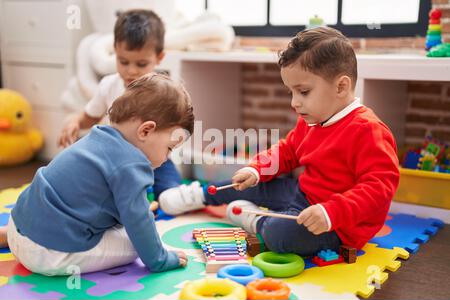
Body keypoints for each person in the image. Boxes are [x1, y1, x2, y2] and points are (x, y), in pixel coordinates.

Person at [159, 27, 400, 256]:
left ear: (341, 86)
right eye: (291, 92)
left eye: (303, 92)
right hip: (303, 193)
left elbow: (379, 188)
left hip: (338, 225)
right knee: (246, 183)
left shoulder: (368, 130)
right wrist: (257, 169)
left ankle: (254, 219)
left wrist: (331, 212)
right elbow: (288, 150)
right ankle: (200, 195)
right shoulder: (312, 119)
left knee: (280, 235)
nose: (294, 102)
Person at [1, 73, 194, 275]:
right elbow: (138, 222)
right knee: (135, 243)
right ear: (145, 131)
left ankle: (10, 237)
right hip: (48, 253)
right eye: (170, 148)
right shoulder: (132, 165)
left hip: (18, 227)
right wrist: (160, 259)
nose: (166, 158)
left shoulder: (98, 135)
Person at [58, 9, 181, 199]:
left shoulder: (164, 91)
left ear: (159, 57)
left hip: (156, 163)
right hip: (116, 163)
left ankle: (191, 195)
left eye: (141, 64)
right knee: (86, 191)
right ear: (115, 51)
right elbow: (89, 118)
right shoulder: (108, 85)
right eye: (123, 62)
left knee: (172, 196)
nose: (131, 71)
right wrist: (74, 121)